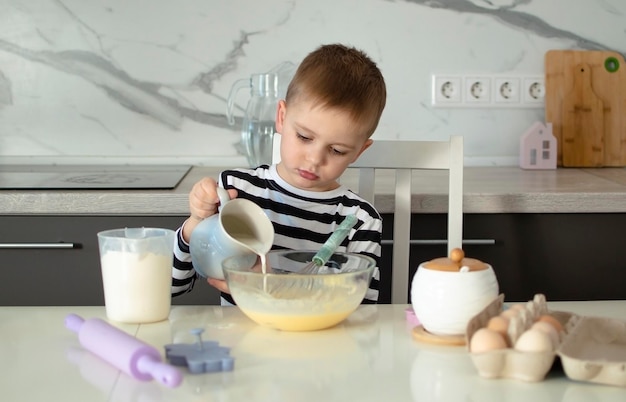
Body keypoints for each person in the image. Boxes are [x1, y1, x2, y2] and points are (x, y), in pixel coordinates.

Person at [172, 43, 387, 305]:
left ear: (359, 151)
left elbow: (364, 312)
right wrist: (195, 223)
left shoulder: (359, 220)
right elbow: (172, 285)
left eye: (337, 150)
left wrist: (274, 286)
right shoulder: (238, 191)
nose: (314, 159)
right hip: (238, 342)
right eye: (304, 137)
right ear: (282, 118)